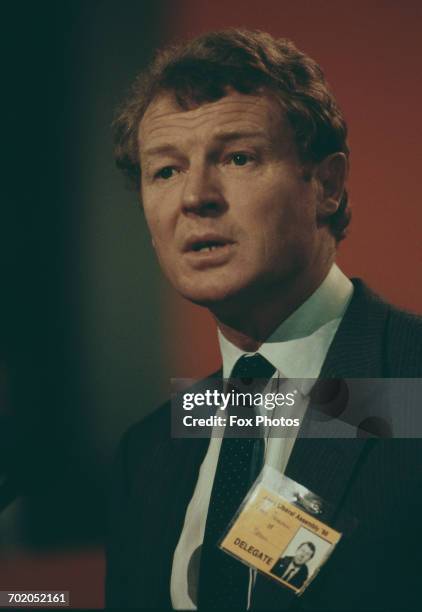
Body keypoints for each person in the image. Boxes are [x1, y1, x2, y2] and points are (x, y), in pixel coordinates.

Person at [106, 29, 422, 610]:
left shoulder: (413, 382)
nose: (195, 196)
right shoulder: (147, 451)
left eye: (238, 157)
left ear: (325, 185)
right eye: (166, 171)